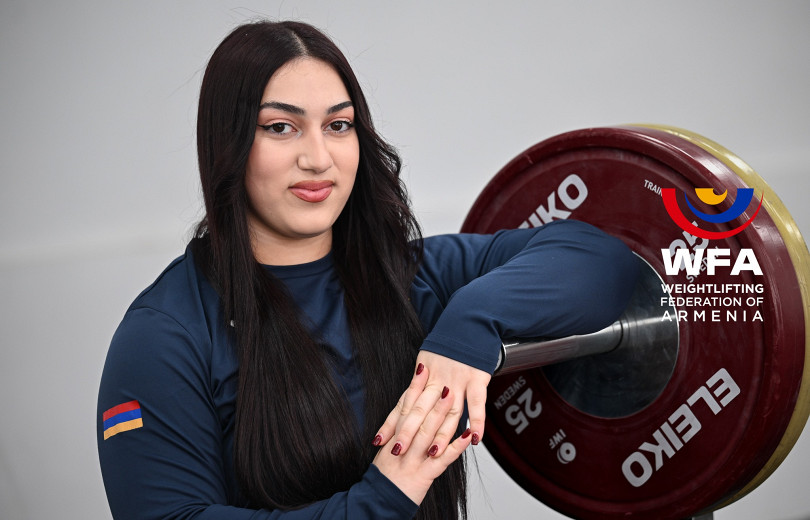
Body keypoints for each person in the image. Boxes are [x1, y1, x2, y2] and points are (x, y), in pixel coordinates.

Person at [97, 19, 639, 520]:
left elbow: (600, 261)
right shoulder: (163, 336)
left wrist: (468, 329)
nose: (318, 158)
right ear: (228, 144)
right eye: (281, 127)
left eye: (338, 125)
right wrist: (382, 501)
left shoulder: (411, 275)